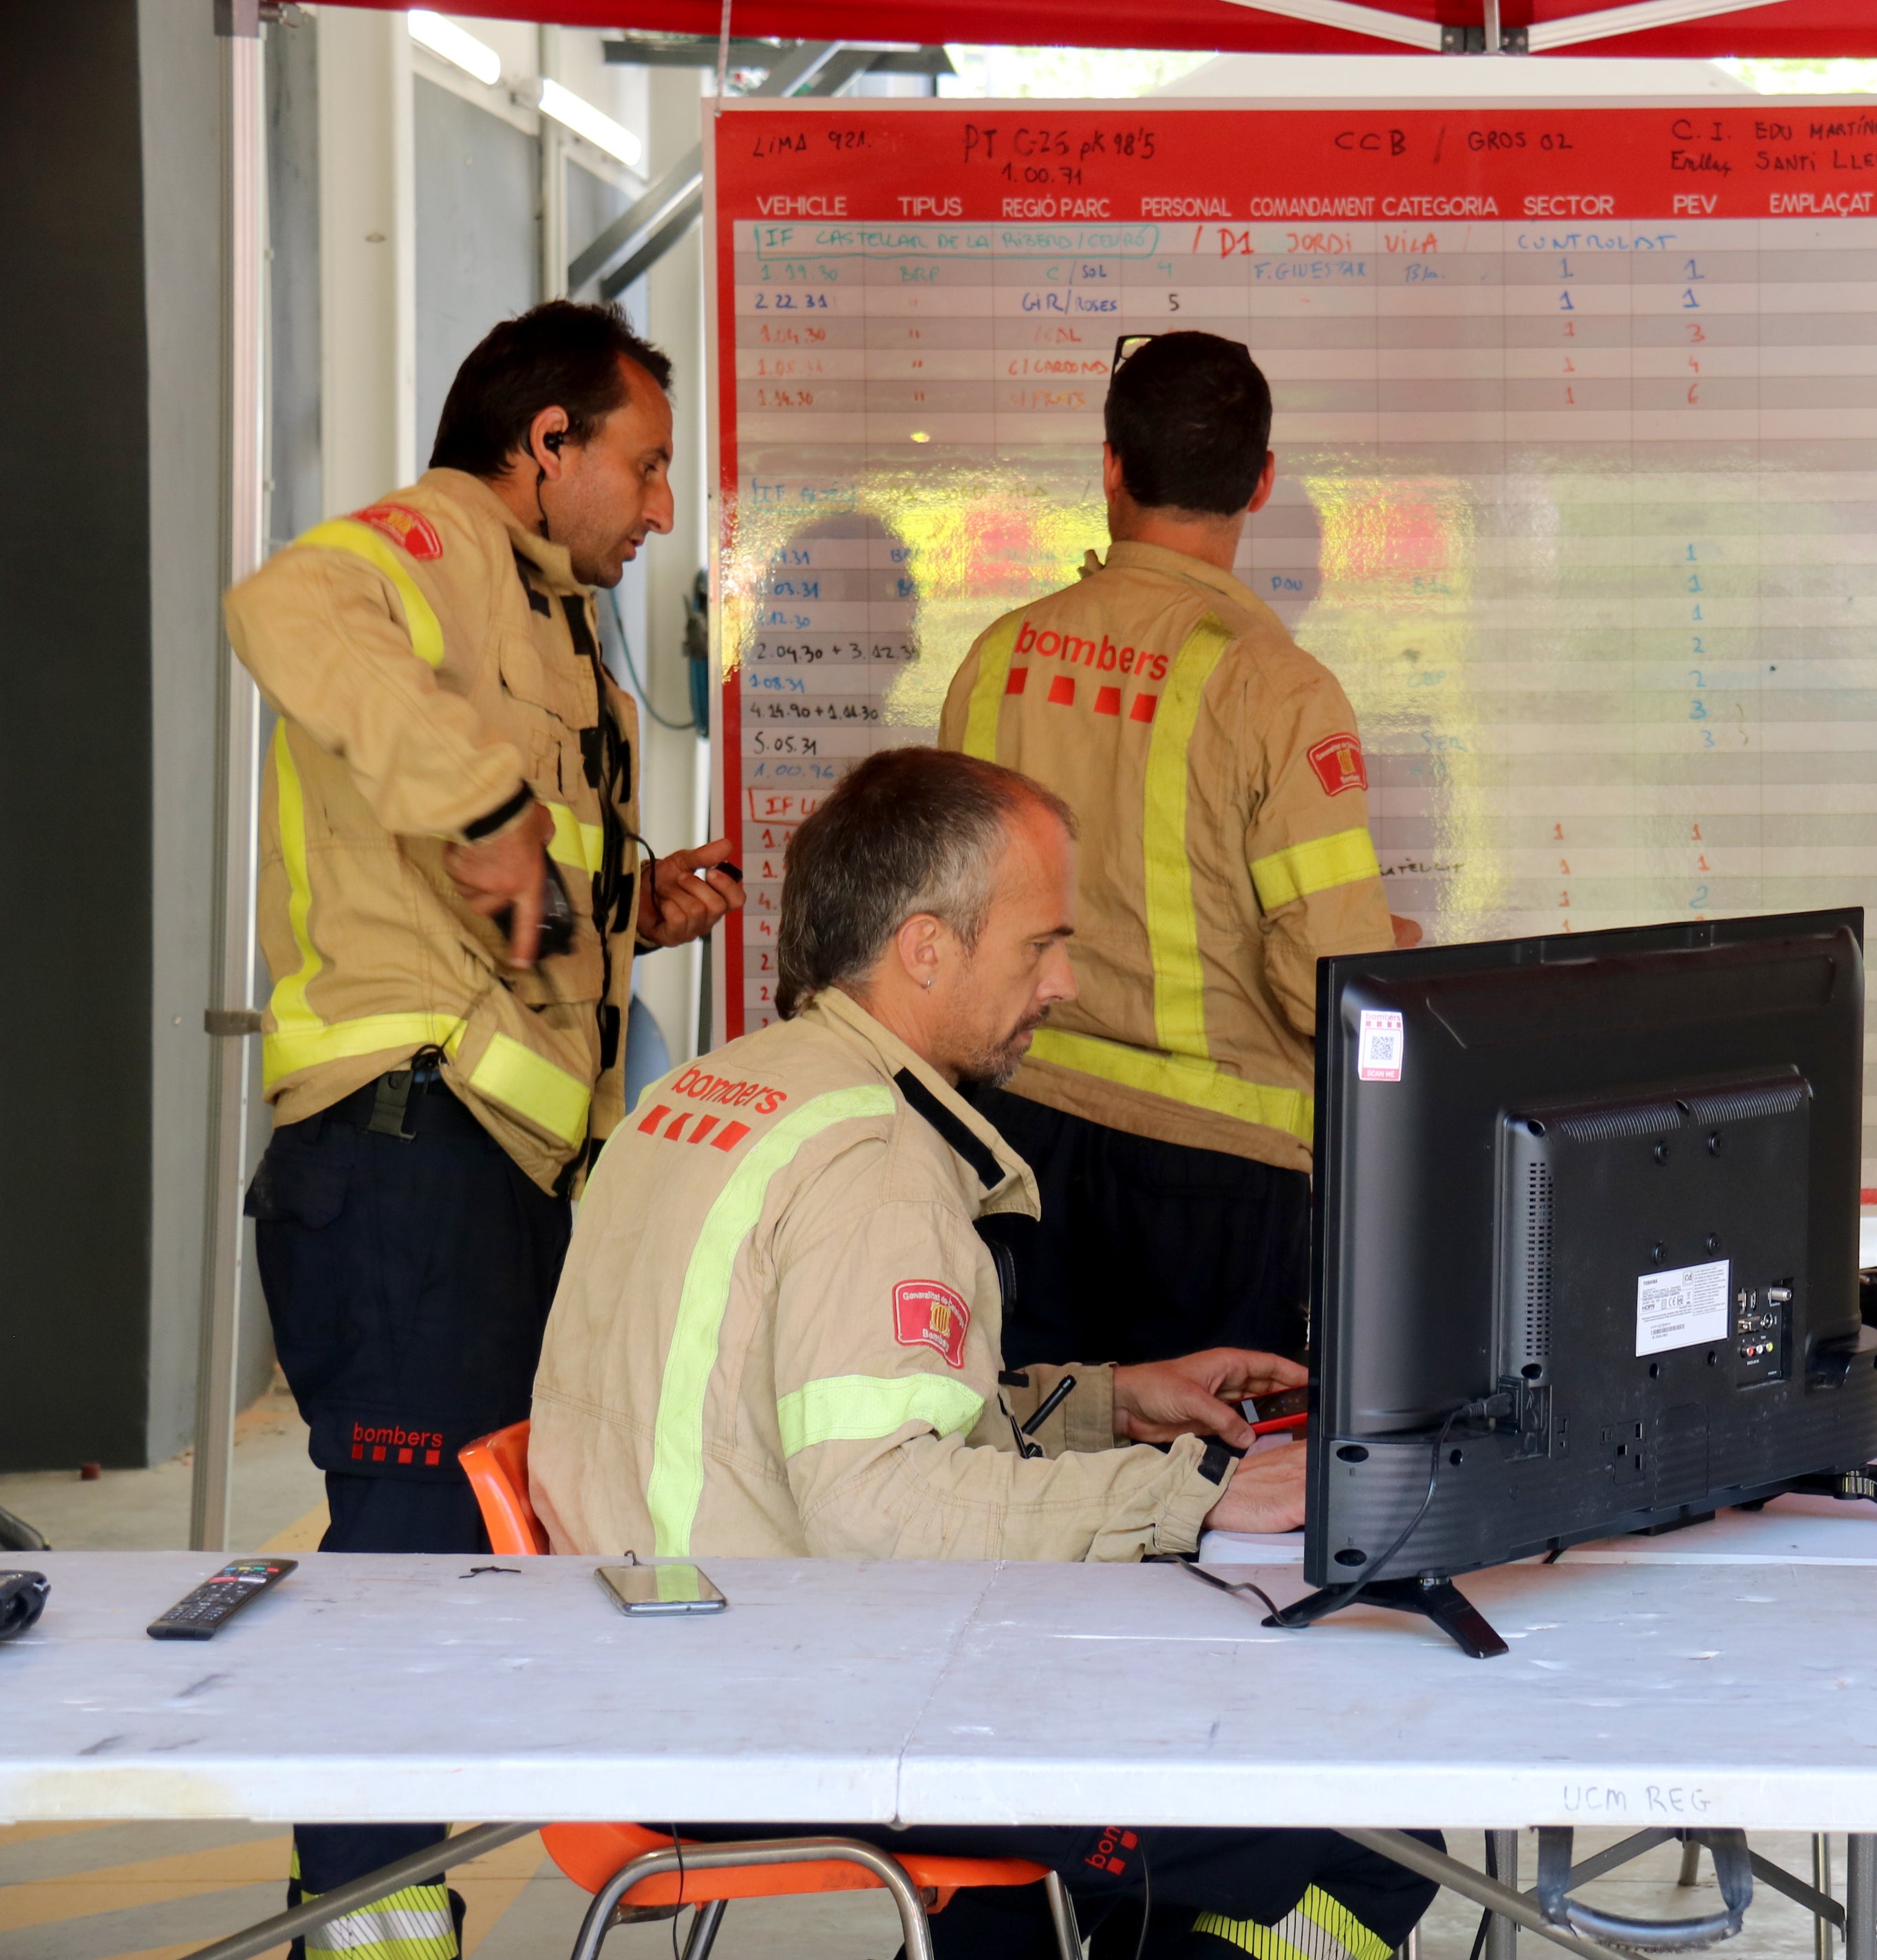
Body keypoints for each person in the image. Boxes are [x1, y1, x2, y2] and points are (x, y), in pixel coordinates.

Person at [528, 745, 1437, 1960]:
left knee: (1184, 1762)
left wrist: (1110, 1404)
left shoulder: (723, 1088)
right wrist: (1197, 1489)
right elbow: (881, 1509)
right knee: (1367, 1810)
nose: (1065, 983)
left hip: (657, 1649)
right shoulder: (876, 1165)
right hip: (780, 1697)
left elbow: (790, 1413)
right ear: (925, 947)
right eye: (1040, 945)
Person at [223, 299, 738, 1960]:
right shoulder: (436, 541)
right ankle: (368, 1921)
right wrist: (492, 802)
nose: (659, 507)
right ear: (545, 442)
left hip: (494, 1163)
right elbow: (281, 604)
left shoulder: (546, 616)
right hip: (403, 1153)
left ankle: (393, 1903)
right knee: (407, 1550)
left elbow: (509, 902)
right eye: (643, 466)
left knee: (468, 1546)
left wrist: (632, 898)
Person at [936, 330, 1402, 1370]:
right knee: (1212, 1464)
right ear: (1261, 480)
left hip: (1017, 1135)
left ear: (1111, 465)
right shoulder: (1278, 689)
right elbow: (1326, 979)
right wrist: (1382, 953)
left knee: (1032, 1438)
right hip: (1215, 1177)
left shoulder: (999, 656)